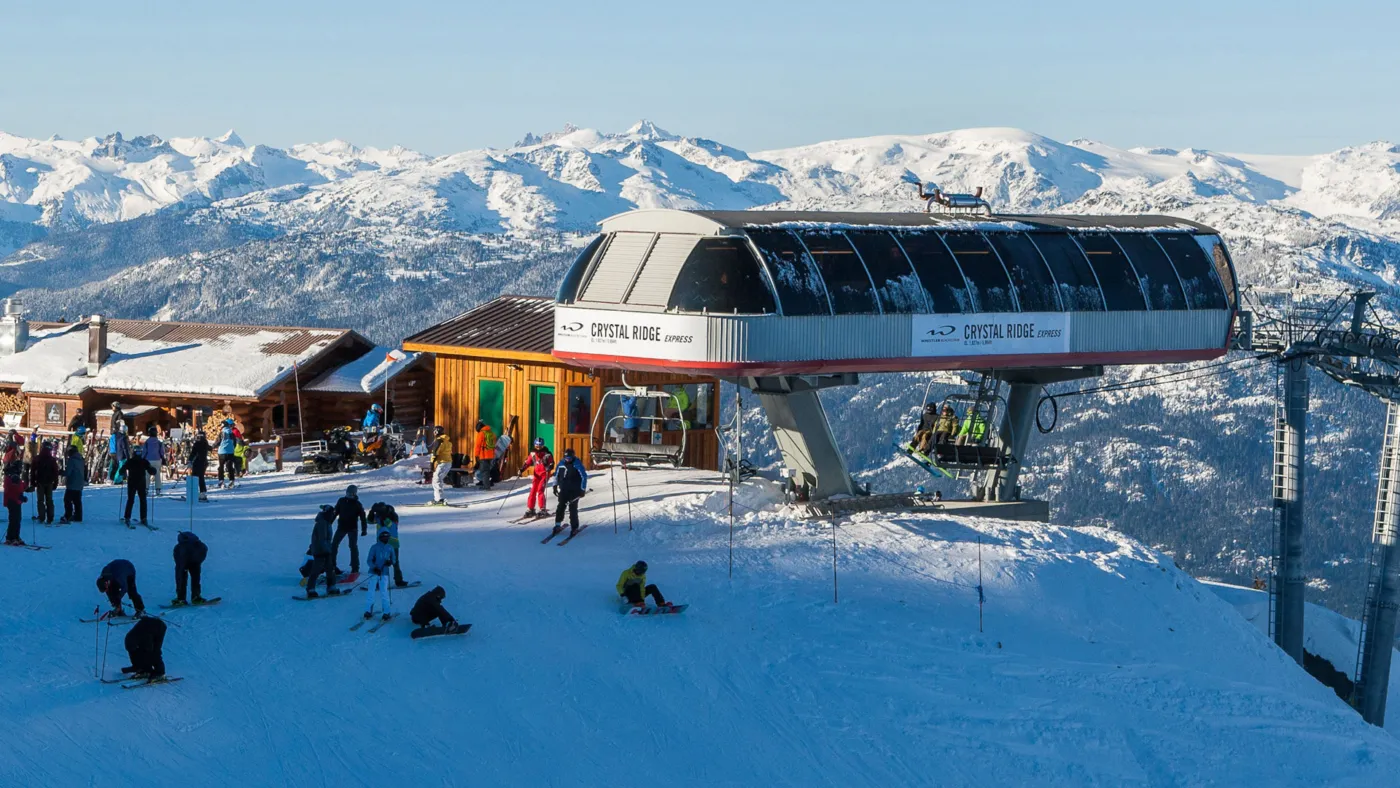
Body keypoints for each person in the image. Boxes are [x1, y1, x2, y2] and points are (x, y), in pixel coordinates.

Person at [549, 447, 588, 539]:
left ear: (573, 457)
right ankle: (557, 524)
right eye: (566, 458)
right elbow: (556, 475)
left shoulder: (577, 464)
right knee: (560, 507)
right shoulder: (561, 464)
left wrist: (582, 489)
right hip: (564, 489)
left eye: (569, 458)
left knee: (572, 509)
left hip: (575, 490)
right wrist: (554, 486)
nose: (568, 460)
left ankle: (574, 527)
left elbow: (584, 477)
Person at [303, 505, 341, 597]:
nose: (333, 515)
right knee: (316, 569)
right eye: (331, 513)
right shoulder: (322, 523)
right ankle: (310, 589)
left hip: (325, 549)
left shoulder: (327, 522)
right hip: (320, 550)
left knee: (330, 568)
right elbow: (322, 539)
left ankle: (331, 587)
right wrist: (327, 550)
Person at [368, 502, 408, 587]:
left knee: (395, 562)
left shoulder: (393, 517)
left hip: (392, 544)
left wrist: (383, 516)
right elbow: (369, 521)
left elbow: (390, 525)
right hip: (381, 544)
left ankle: (398, 580)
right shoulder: (379, 517)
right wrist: (372, 512)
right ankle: (378, 582)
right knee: (379, 562)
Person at [362, 526, 396, 621]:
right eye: (383, 536)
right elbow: (369, 560)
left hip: (384, 573)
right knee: (371, 592)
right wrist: (374, 567)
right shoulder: (374, 547)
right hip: (374, 573)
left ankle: (386, 612)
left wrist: (390, 562)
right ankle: (368, 611)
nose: (385, 538)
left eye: (387, 536)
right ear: (379, 537)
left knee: (384, 592)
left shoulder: (390, 548)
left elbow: (394, 559)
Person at [332, 484, 367, 575]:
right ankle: (332, 566)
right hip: (341, 527)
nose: (349, 495)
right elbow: (335, 512)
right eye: (348, 493)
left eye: (351, 494)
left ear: (355, 494)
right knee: (334, 545)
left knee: (353, 547)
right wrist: (329, 523)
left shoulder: (357, 504)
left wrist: (364, 529)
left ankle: (355, 567)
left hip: (352, 529)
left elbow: (363, 518)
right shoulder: (341, 501)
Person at [171, 531, 209, 606]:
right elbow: (178, 559)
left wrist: (197, 562)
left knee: (185, 579)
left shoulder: (199, 547)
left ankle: (185, 598)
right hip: (185, 563)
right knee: (187, 579)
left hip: (194, 563)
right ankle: (189, 597)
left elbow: (202, 555)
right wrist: (183, 566)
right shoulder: (180, 548)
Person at [519, 438, 554, 517]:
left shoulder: (547, 454)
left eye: (540, 446)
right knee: (533, 491)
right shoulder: (533, 454)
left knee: (540, 490)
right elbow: (527, 463)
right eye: (537, 445)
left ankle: (542, 509)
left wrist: (549, 467)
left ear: (543, 445)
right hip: (536, 475)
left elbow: (552, 463)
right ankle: (531, 508)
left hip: (544, 474)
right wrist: (522, 470)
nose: (538, 447)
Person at [31, 442, 59, 525]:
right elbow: (56, 472)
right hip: (50, 482)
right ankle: (50, 517)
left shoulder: (37, 458)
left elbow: (33, 471)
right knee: (49, 500)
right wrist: (55, 482)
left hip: (40, 481)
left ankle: (42, 516)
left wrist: (33, 482)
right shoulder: (52, 459)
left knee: (40, 500)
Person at [123, 453, 152, 526]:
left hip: (132, 483)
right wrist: (153, 470)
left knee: (130, 500)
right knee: (143, 500)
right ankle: (143, 518)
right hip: (141, 483)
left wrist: (122, 473)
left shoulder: (130, 461)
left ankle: (127, 517)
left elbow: (122, 469)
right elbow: (150, 469)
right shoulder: (144, 461)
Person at [60, 444, 85, 523]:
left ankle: (68, 515)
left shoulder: (72, 460)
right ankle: (78, 516)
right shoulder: (80, 459)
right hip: (80, 483)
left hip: (72, 483)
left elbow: (68, 472)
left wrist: (61, 472)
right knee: (77, 501)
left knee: (67, 500)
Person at [3, 462, 27, 545]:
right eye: (21, 467)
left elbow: (19, 486)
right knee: (14, 519)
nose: (21, 469)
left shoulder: (13, 474)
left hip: (15, 500)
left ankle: (15, 536)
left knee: (17, 519)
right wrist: (20, 497)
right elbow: (12, 489)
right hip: (13, 500)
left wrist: (25, 487)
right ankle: (12, 537)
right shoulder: (12, 475)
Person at [139, 425, 166, 496]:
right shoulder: (159, 442)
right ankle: (158, 490)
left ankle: (146, 489)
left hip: (148, 460)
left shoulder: (147, 442)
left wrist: (142, 459)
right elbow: (162, 452)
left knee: (147, 476)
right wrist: (163, 459)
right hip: (157, 460)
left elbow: (144, 452)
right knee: (157, 475)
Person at [428, 426, 451, 505]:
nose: (433, 433)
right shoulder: (446, 439)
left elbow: (435, 453)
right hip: (447, 462)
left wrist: (431, 464)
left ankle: (439, 499)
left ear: (436, 432)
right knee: (438, 479)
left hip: (443, 462)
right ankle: (438, 498)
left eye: (434, 431)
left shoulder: (439, 441)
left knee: (436, 480)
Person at [216, 419, 240, 489]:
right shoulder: (231, 433)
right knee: (230, 467)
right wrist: (232, 448)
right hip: (230, 452)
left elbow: (218, 441)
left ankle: (221, 481)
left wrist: (212, 447)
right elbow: (235, 442)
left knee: (221, 467)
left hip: (222, 452)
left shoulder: (221, 433)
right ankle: (231, 480)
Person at [472, 420, 496, 489]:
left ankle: (486, 486)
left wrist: (476, 455)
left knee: (484, 471)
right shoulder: (490, 433)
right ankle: (487, 484)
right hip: (490, 455)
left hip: (483, 455)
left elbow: (478, 445)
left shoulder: (481, 434)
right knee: (487, 470)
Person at [188, 430, 210, 502]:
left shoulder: (197, 443)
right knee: (201, 477)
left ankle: (195, 493)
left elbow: (193, 453)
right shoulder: (205, 443)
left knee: (195, 477)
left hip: (197, 463)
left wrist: (190, 460)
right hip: (203, 463)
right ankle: (202, 492)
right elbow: (210, 448)